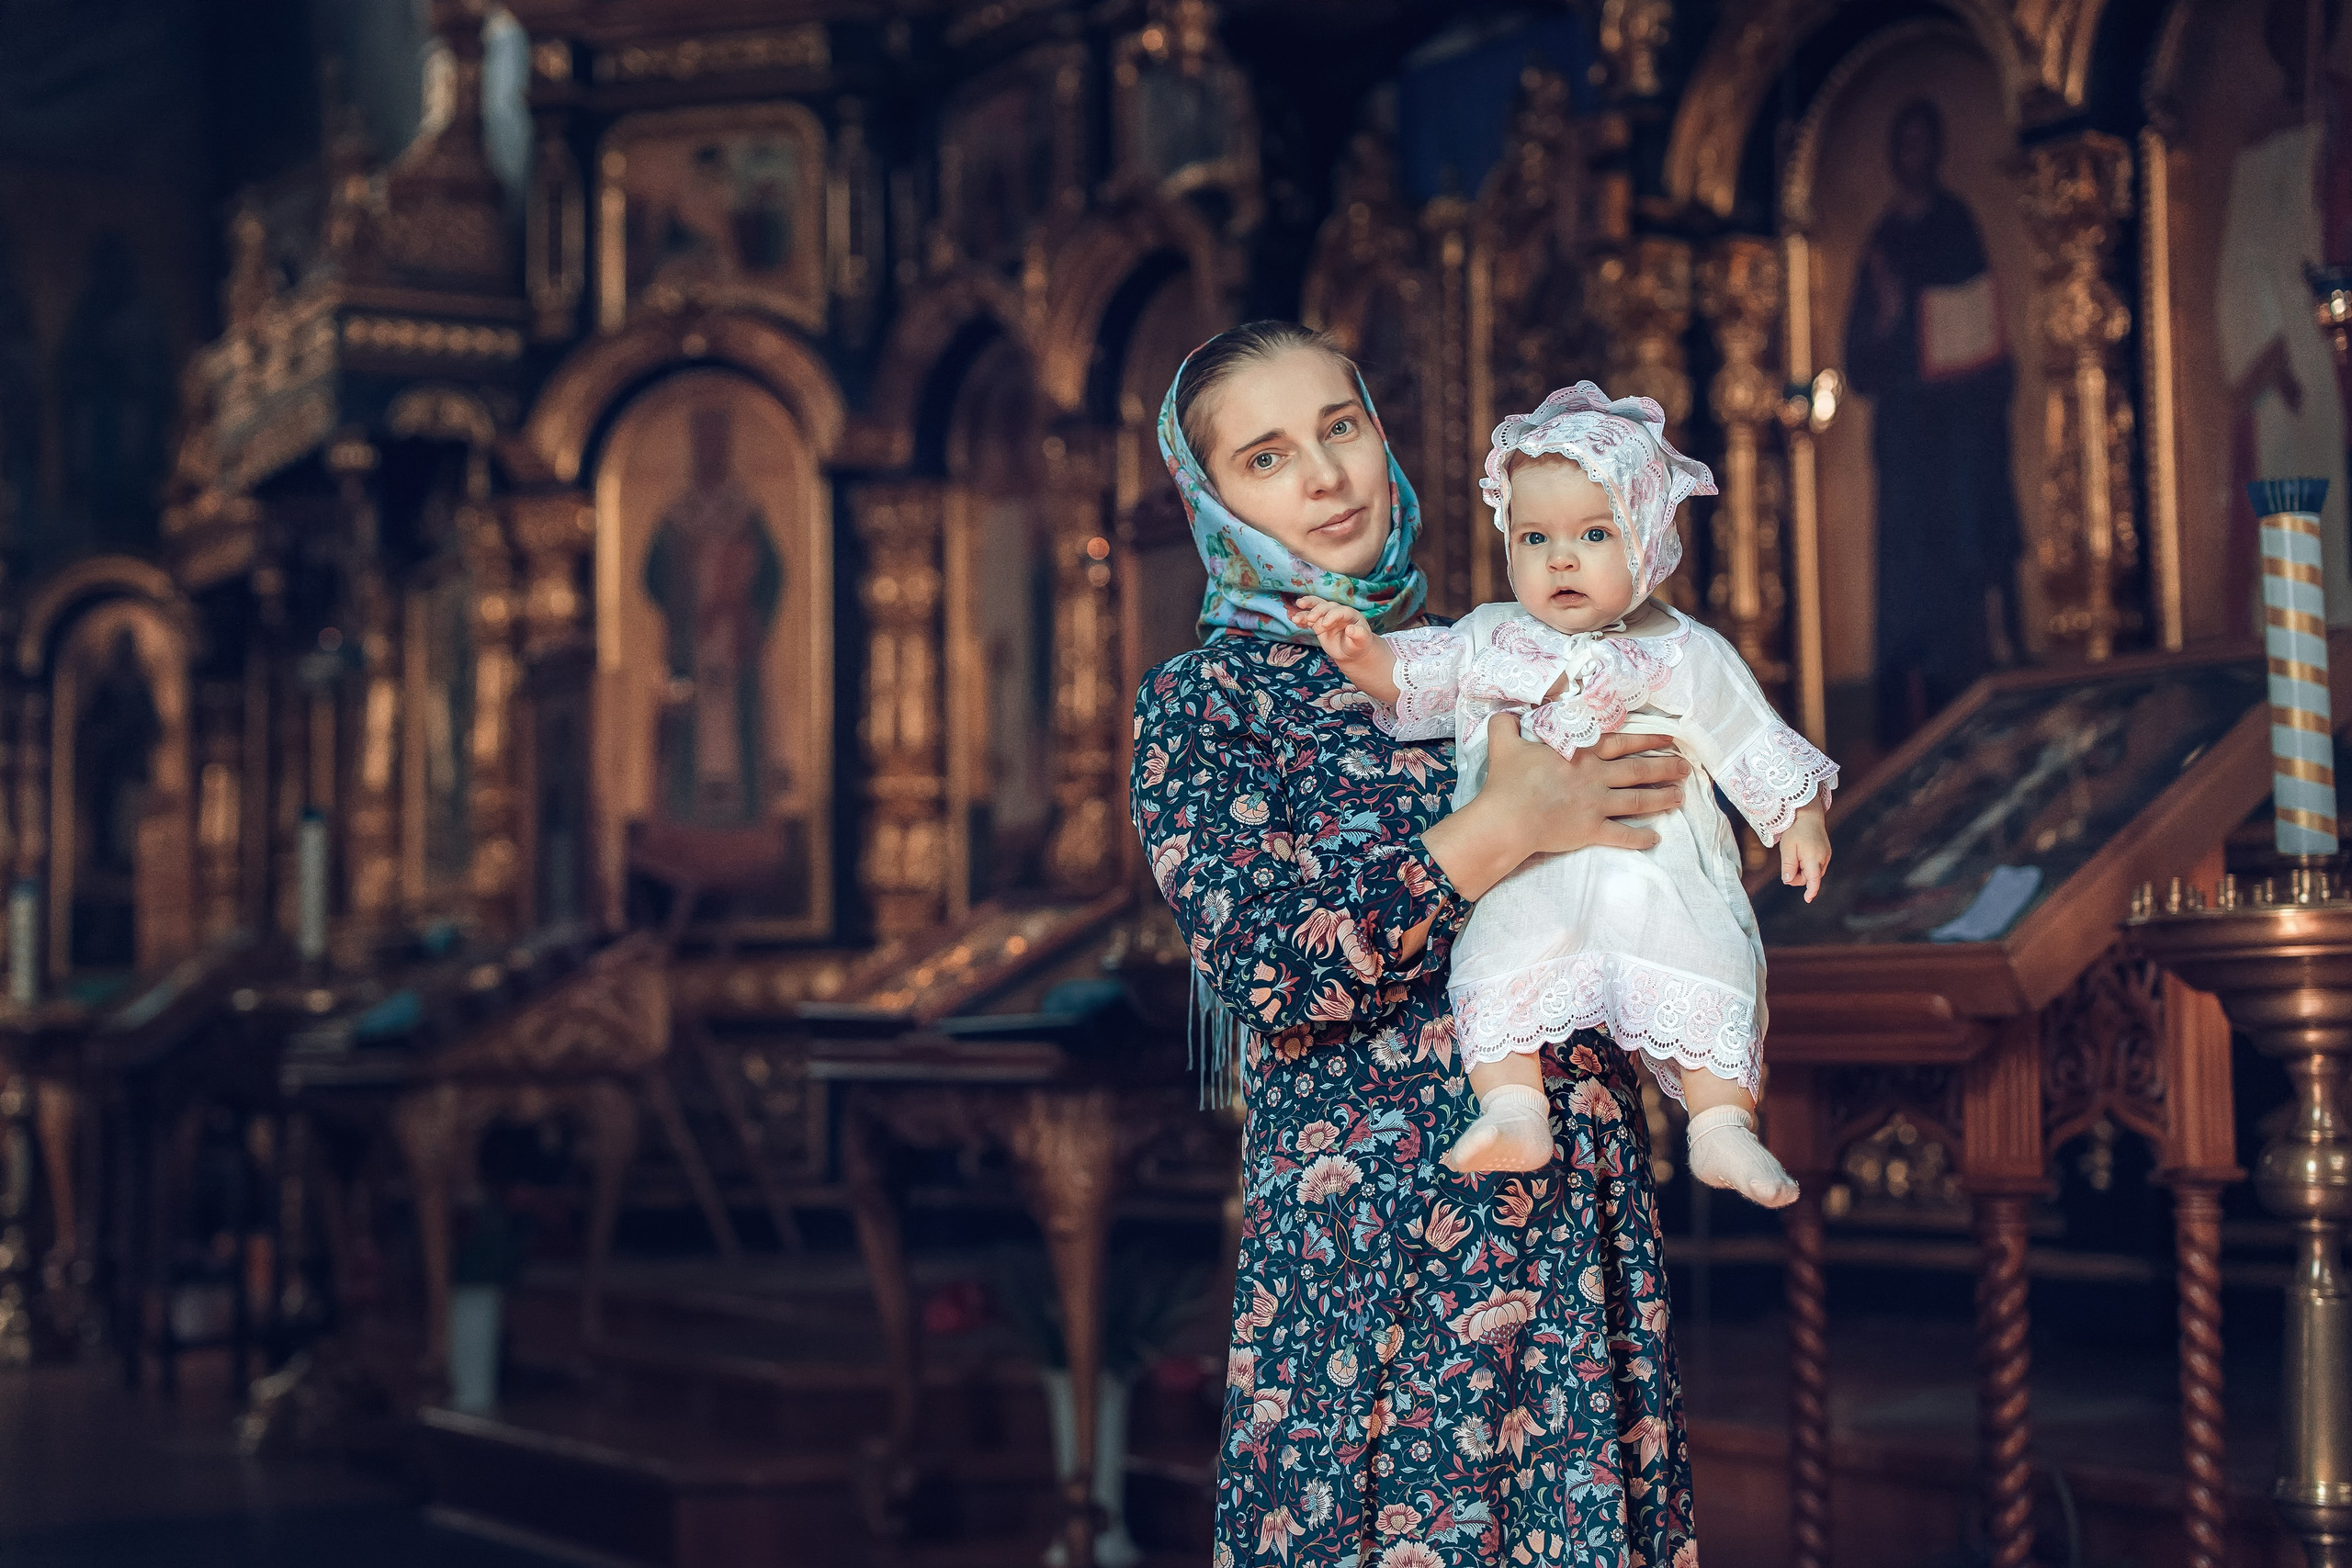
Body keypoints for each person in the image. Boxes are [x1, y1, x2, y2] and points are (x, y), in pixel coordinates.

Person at [1132, 321, 1700, 1565]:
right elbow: (1277, 973)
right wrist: (1498, 828)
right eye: (1268, 457)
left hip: (1572, 1206)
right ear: (1210, 498)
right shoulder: (1207, 705)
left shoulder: (1495, 659)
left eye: (1340, 428)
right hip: (1374, 1245)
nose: (1326, 476)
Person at [1296, 383, 1835, 1208]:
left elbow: (1748, 736)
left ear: (1649, 542)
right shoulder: (1488, 635)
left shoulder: (1687, 652)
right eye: (1535, 536)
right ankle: (1514, 1110)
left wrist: (1796, 817)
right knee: (1502, 962)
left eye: (1594, 533)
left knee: (1707, 961)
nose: (1561, 558)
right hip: (1529, 875)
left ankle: (1721, 1124)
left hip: (1656, 867)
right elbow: (1417, 678)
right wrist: (1362, 653)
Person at [1844, 97, 2024, 748]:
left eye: (1924, 142)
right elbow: (1858, 362)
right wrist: (1892, 315)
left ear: (1936, 150)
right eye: (1904, 143)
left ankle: (1968, 720)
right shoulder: (1882, 242)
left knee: (1957, 587)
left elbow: (1982, 334)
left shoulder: (1956, 225)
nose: (1913, 155)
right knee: (1904, 594)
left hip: (1956, 443)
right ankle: (1902, 741)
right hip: (1903, 447)